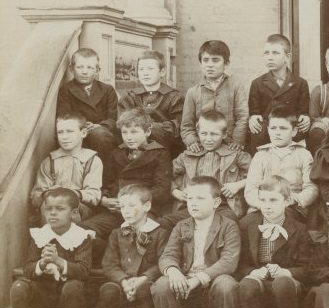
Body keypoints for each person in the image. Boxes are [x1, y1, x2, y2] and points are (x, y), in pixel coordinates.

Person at [151, 176, 244, 308]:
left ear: (216, 202)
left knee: (227, 284)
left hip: (211, 287)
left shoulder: (228, 226)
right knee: (161, 284)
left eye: (200, 199)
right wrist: (173, 271)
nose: (193, 204)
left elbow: (228, 261)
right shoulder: (181, 226)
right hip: (184, 288)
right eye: (190, 198)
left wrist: (198, 278)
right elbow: (168, 255)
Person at [2, 188, 94, 308]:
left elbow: (83, 271)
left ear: (73, 213)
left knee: (74, 286)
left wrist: (59, 261)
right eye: (48, 208)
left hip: (70, 297)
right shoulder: (40, 235)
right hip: (44, 296)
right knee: (19, 286)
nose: (52, 213)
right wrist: (42, 263)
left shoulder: (82, 237)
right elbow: (28, 269)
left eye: (60, 209)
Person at [236, 176, 311, 308]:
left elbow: (309, 267)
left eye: (273, 200)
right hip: (259, 287)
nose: (267, 206)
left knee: (283, 282)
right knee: (247, 283)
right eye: (263, 200)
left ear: (287, 201)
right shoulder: (247, 225)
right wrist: (252, 272)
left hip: (287, 289)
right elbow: (238, 264)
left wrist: (287, 272)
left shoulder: (299, 229)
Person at [85, 108, 172, 257]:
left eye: (134, 132)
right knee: (82, 230)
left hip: (144, 211)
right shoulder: (116, 153)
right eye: (125, 133)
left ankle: (119, 256)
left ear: (147, 131)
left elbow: (162, 190)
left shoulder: (160, 154)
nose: (129, 137)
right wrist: (105, 200)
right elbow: (107, 182)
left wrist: (135, 202)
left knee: (141, 237)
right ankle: (111, 251)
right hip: (116, 210)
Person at [97, 184, 169, 308]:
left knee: (146, 288)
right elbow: (109, 264)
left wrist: (142, 279)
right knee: (107, 290)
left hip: (146, 285)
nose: (126, 211)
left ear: (147, 206)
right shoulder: (116, 234)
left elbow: (163, 261)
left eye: (131, 206)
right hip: (124, 286)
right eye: (122, 207)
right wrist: (123, 281)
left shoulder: (160, 233)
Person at [164, 110, 250, 229]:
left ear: (224, 134)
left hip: (222, 206)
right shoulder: (187, 155)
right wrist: (175, 191)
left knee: (227, 224)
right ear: (198, 132)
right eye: (204, 133)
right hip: (191, 206)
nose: (208, 139)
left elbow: (259, 175)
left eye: (214, 134)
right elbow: (163, 175)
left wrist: (238, 185)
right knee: (163, 223)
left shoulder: (236, 155)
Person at [244, 106, 317, 221]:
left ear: (294, 131)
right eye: (273, 128)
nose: (277, 132)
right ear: (268, 130)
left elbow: (311, 188)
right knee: (246, 224)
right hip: (263, 207)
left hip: (291, 207)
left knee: (284, 221)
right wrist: (262, 204)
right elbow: (250, 189)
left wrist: (294, 200)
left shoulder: (303, 154)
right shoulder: (260, 156)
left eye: (283, 128)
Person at [29, 113, 102, 226]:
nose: (64, 136)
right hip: (51, 206)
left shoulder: (92, 160)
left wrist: (71, 194)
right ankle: (49, 240)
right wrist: (48, 194)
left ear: (83, 133)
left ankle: (61, 240)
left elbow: (94, 195)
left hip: (79, 208)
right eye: (60, 132)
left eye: (70, 131)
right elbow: (37, 194)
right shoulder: (50, 161)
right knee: (51, 206)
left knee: (66, 208)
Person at [181, 40, 249, 153]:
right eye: (205, 60)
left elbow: (243, 117)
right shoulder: (193, 92)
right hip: (202, 146)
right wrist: (192, 141)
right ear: (201, 64)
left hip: (230, 146)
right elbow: (186, 124)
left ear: (226, 64)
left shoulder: (236, 87)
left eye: (216, 60)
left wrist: (237, 140)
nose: (210, 65)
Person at [247, 34, 311, 152]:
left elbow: (303, 111)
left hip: (290, 127)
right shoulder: (257, 83)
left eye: (275, 53)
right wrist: (253, 117)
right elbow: (254, 111)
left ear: (287, 57)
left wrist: (306, 117)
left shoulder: (300, 83)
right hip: (268, 129)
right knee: (257, 131)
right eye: (266, 53)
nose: (270, 57)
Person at [56, 48, 118, 163]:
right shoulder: (66, 90)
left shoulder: (107, 90)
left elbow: (113, 118)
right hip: (78, 131)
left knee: (100, 136)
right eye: (80, 67)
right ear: (71, 69)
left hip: (102, 131)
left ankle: (107, 176)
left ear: (97, 70)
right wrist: (82, 125)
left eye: (90, 67)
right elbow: (64, 116)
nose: (84, 72)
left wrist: (99, 126)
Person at [118, 50, 184, 157]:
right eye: (141, 69)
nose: (145, 73)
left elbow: (178, 124)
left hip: (164, 145)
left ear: (162, 72)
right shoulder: (129, 96)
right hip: (134, 141)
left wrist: (153, 127)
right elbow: (123, 121)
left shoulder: (174, 96)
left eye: (150, 69)